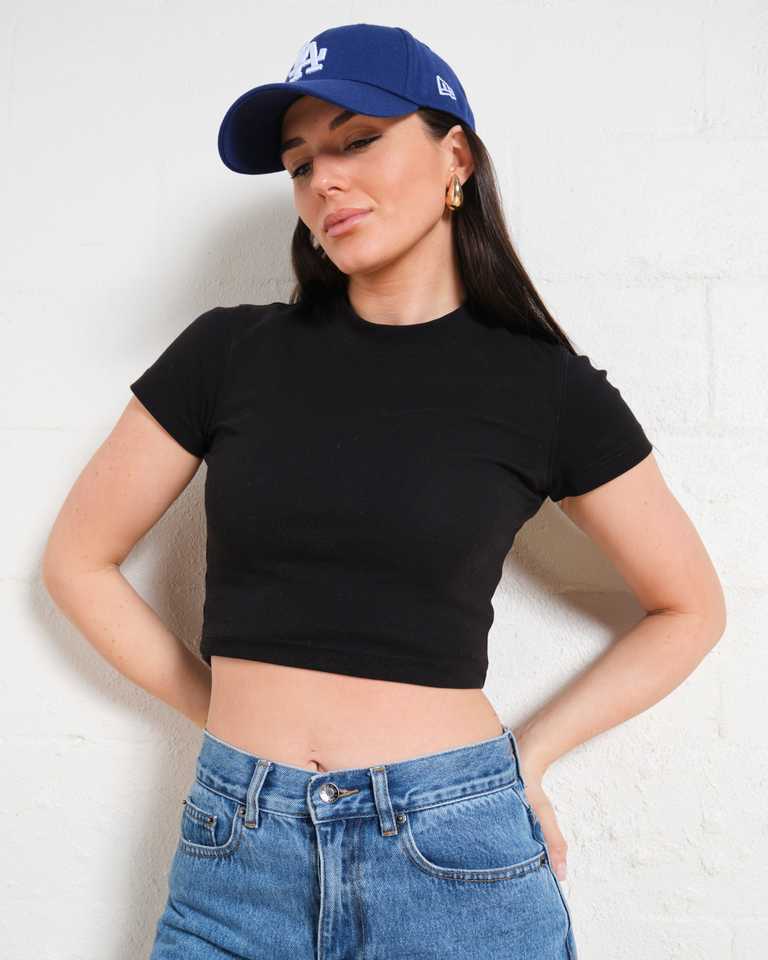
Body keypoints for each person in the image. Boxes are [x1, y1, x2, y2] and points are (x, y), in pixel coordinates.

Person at [42, 22, 726, 960]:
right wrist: (231, 734)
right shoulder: (228, 353)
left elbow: (690, 607)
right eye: (299, 164)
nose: (323, 181)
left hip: (455, 858)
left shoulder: (545, 389)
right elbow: (78, 561)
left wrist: (523, 760)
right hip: (236, 861)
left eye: (358, 140)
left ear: (455, 159)